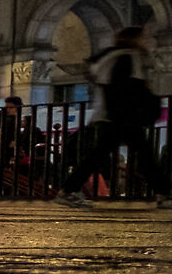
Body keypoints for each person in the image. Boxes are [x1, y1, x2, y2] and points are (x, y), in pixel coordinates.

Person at [61, 25, 162, 204]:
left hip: (109, 115)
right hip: (121, 116)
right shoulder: (128, 57)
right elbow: (128, 88)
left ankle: (69, 189)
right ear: (134, 39)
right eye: (143, 38)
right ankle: (164, 193)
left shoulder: (109, 56)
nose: (146, 41)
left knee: (100, 155)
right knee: (143, 154)